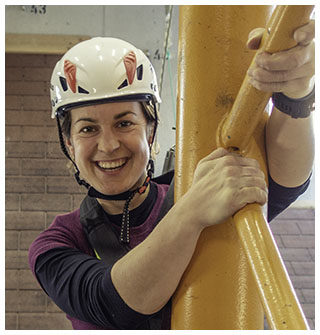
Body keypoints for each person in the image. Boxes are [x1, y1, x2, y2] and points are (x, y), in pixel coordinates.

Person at [28, 20, 314, 330]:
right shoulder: (56, 244)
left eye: (125, 123)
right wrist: (190, 213)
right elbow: (114, 304)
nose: (108, 145)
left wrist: (294, 94)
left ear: (150, 131)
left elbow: (285, 182)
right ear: (69, 143)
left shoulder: (195, 188)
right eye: (88, 129)